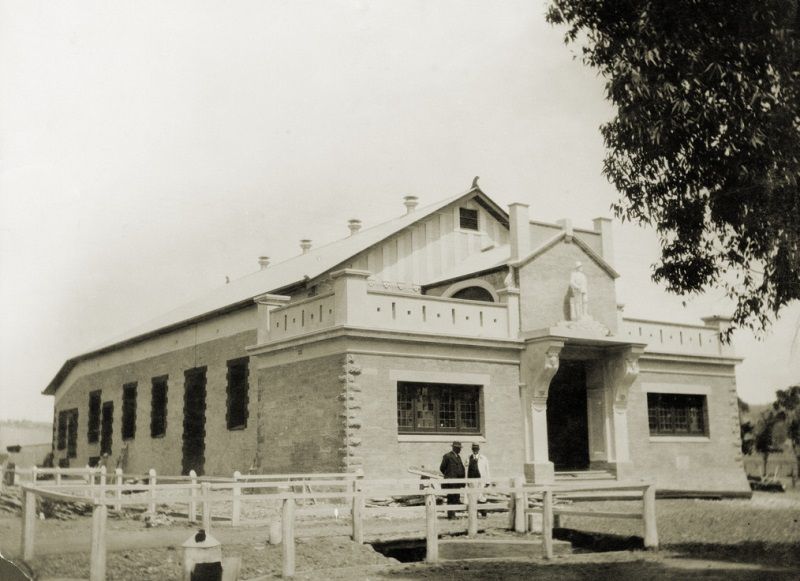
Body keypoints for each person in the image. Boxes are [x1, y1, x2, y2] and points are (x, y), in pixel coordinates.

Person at [440, 441, 465, 519]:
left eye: (460, 448)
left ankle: (453, 514)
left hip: (457, 482)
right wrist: (449, 475)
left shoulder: (458, 457)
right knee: (451, 498)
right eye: (458, 448)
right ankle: (451, 515)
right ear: (454, 448)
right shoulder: (447, 456)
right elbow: (442, 468)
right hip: (450, 482)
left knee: (455, 497)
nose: (460, 450)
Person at [468, 443, 490, 517]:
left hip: (481, 480)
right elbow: (466, 470)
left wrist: (488, 481)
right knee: (473, 496)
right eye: (474, 449)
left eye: (476, 449)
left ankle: (483, 512)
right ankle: (474, 513)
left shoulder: (483, 458)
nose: (475, 450)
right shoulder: (469, 458)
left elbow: (487, 470)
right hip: (472, 480)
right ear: (472, 449)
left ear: (478, 449)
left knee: (481, 496)